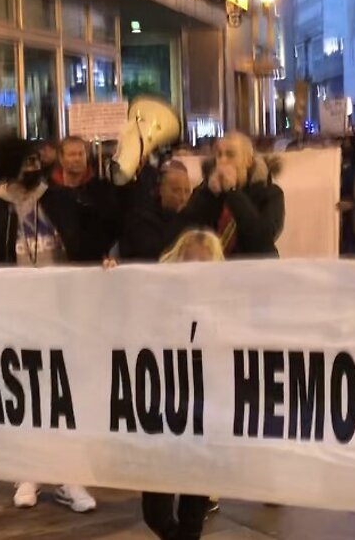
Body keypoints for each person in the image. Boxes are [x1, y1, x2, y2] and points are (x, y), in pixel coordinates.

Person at [0, 139, 97, 513]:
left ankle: (68, 476)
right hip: (13, 316)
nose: (33, 167)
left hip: (60, 312)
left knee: (64, 394)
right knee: (23, 393)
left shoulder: (59, 199)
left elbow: (83, 243)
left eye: (36, 161)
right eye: (26, 162)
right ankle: (27, 470)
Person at [138, 229, 224, 540]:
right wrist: (111, 278)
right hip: (163, 413)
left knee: (192, 519)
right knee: (155, 514)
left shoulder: (224, 307)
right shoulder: (156, 300)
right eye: (191, 263)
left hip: (203, 417)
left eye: (206, 264)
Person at [181, 132, 285, 257]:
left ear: (248, 161)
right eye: (219, 155)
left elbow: (263, 238)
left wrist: (233, 192)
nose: (222, 161)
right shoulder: (204, 192)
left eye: (230, 155)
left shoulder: (271, 193)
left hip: (255, 268)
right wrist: (208, 194)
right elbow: (186, 232)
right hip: (212, 268)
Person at [50, 137, 120, 263]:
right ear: (61, 158)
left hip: (94, 262)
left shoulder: (102, 189)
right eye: (72, 154)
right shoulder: (49, 191)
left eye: (81, 154)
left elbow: (111, 227)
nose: (77, 158)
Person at [119, 161, 191, 261]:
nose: (183, 197)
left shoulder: (190, 220)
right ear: (160, 189)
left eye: (187, 191)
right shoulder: (140, 221)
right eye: (176, 190)